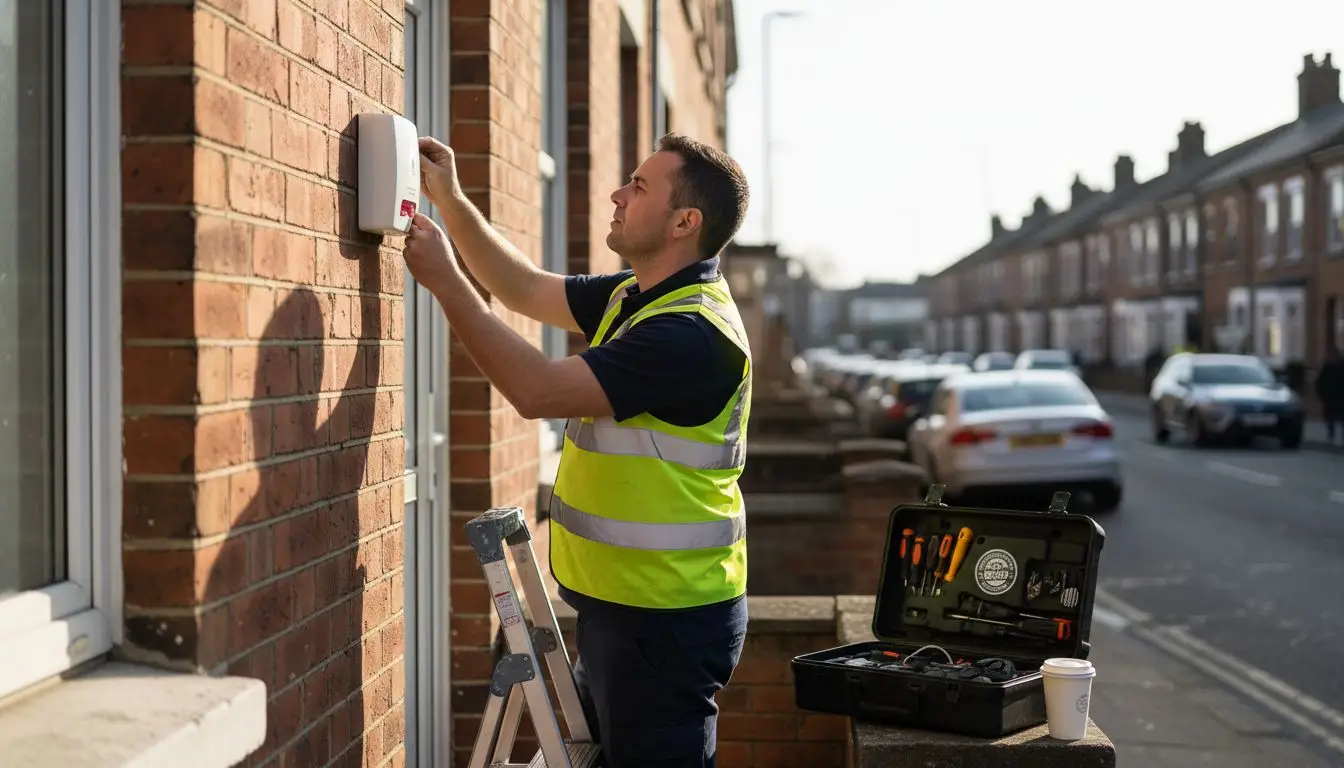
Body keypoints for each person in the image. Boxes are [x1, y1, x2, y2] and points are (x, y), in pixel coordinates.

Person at [401, 132, 753, 768]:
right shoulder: (635, 297)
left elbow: (536, 391)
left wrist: (447, 285)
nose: (617, 194)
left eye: (639, 185)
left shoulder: (690, 334)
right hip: (623, 607)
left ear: (685, 221)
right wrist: (450, 202)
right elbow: (522, 286)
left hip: (666, 620)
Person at [1316, 345, 1344, 444]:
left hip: (1340, 396)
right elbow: (1320, 380)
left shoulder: (1340, 366)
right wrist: (1321, 393)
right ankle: (1331, 434)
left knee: (1340, 416)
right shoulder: (1327, 366)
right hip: (1330, 397)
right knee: (1329, 417)